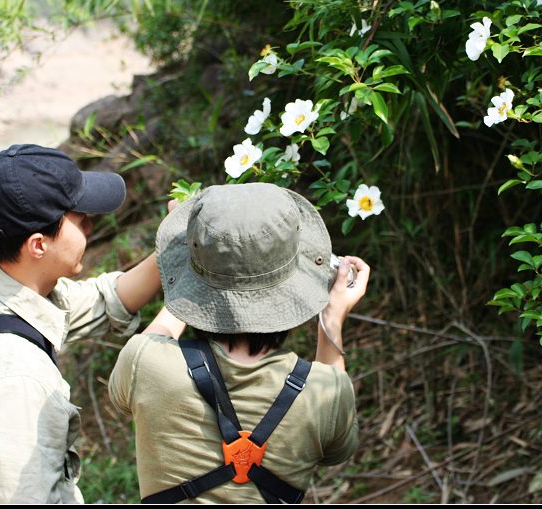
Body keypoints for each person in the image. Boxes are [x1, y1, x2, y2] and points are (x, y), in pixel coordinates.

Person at [109, 182, 370, 503]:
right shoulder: (326, 390)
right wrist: (332, 317)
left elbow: (164, 326)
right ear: (296, 283)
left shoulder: (145, 362)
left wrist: (190, 256)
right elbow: (338, 449)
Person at [0, 144, 163, 503]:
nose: (89, 220)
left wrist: (173, 248)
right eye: (76, 214)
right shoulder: (14, 383)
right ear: (38, 245)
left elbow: (104, 301)